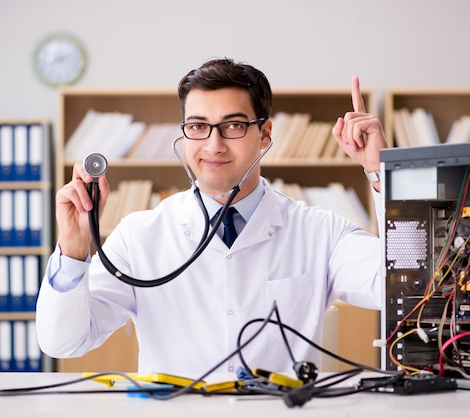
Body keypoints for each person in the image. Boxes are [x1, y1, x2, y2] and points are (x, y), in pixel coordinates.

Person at [35, 57, 388, 375]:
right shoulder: (138, 235)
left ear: (264, 135)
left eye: (233, 125)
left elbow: (402, 285)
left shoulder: (321, 231)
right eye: (198, 126)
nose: (213, 144)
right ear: (184, 135)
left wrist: (382, 173)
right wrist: (72, 249)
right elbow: (64, 343)